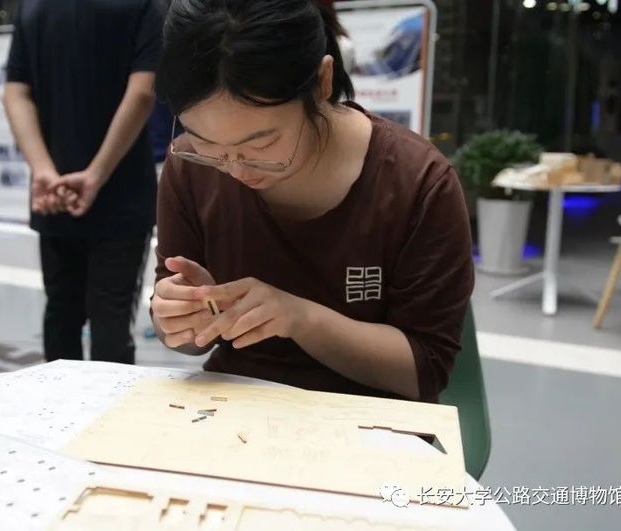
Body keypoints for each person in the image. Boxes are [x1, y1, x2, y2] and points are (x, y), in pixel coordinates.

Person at [150, 0, 474, 404]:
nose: (233, 168)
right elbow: (182, 339)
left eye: (261, 144)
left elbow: (425, 369)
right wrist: (182, 317)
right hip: (235, 409)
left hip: (373, 419)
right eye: (206, 144)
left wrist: (299, 318)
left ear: (322, 82)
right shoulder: (190, 168)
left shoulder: (417, 183)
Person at [3, 0, 163, 364]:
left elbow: (15, 93)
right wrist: (96, 174)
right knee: (111, 323)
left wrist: (43, 171)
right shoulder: (145, 6)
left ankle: (57, 400)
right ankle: (111, 402)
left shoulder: (33, 7)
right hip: (122, 195)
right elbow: (142, 92)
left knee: (61, 314)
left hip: (54, 195)